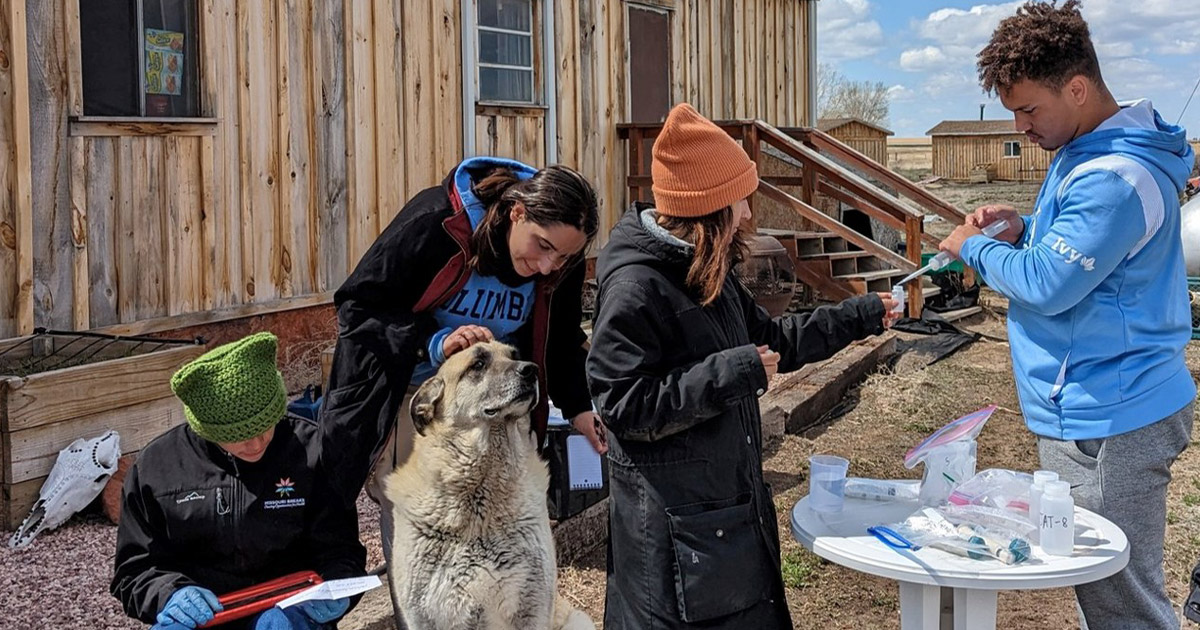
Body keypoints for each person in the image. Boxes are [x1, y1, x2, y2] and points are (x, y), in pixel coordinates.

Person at [586, 103, 899, 629]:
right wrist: (730, 373)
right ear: (709, 208)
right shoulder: (636, 288)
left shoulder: (709, 269)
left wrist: (861, 313)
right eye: (741, 202)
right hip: (674, 542)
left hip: (720, 520)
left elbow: (774, 338)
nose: (750, 215)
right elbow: (622, 405)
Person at [938, 3, 1196, 628]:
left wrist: (971, 246)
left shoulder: (1114, 173)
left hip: (1110, 411)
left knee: (1121, 599)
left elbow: (1049, 285)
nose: (1022, 126)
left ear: (1076, 88)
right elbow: (1090, 257)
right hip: (1096, 399)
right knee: (1102, 589)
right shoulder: (1089, 148)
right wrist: (1025, 227)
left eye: (1029, 109)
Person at [317, 158, 603, 620]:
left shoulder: (556, 263)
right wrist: (434, 342)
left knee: (505, 533)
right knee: (429, 537)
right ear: (517, 213)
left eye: (564, 257)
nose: (548, 265)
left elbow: (563, 338)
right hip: (416, 400)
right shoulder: (436, 222)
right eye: (543, 246)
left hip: (502, 404)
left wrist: (579, 407)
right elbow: (359, 306)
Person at [111, 332, 366, 630]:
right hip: (202, 617)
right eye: (237, 437)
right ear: (205, 430)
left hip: (287, 614)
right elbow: (134, 572)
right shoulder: (156, 468)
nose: (257, 444)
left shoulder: (310, 452)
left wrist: (336, 588)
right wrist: (170, 594)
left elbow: (342, 552)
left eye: (266, 426)